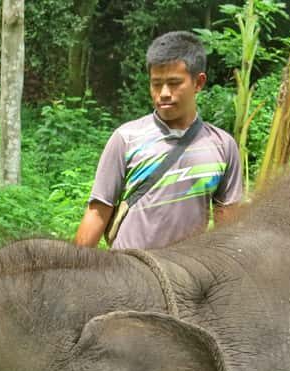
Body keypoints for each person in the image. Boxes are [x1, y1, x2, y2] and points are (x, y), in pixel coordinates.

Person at [74, 31, 243, 250]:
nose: (163, 93)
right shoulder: (127, 139)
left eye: (174, 83)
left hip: (186, 269)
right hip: (128, 266)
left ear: (198, 82)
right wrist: (71, 267)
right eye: (156, 84)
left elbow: (226, 226)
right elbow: (98, 212)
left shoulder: (222, 145)